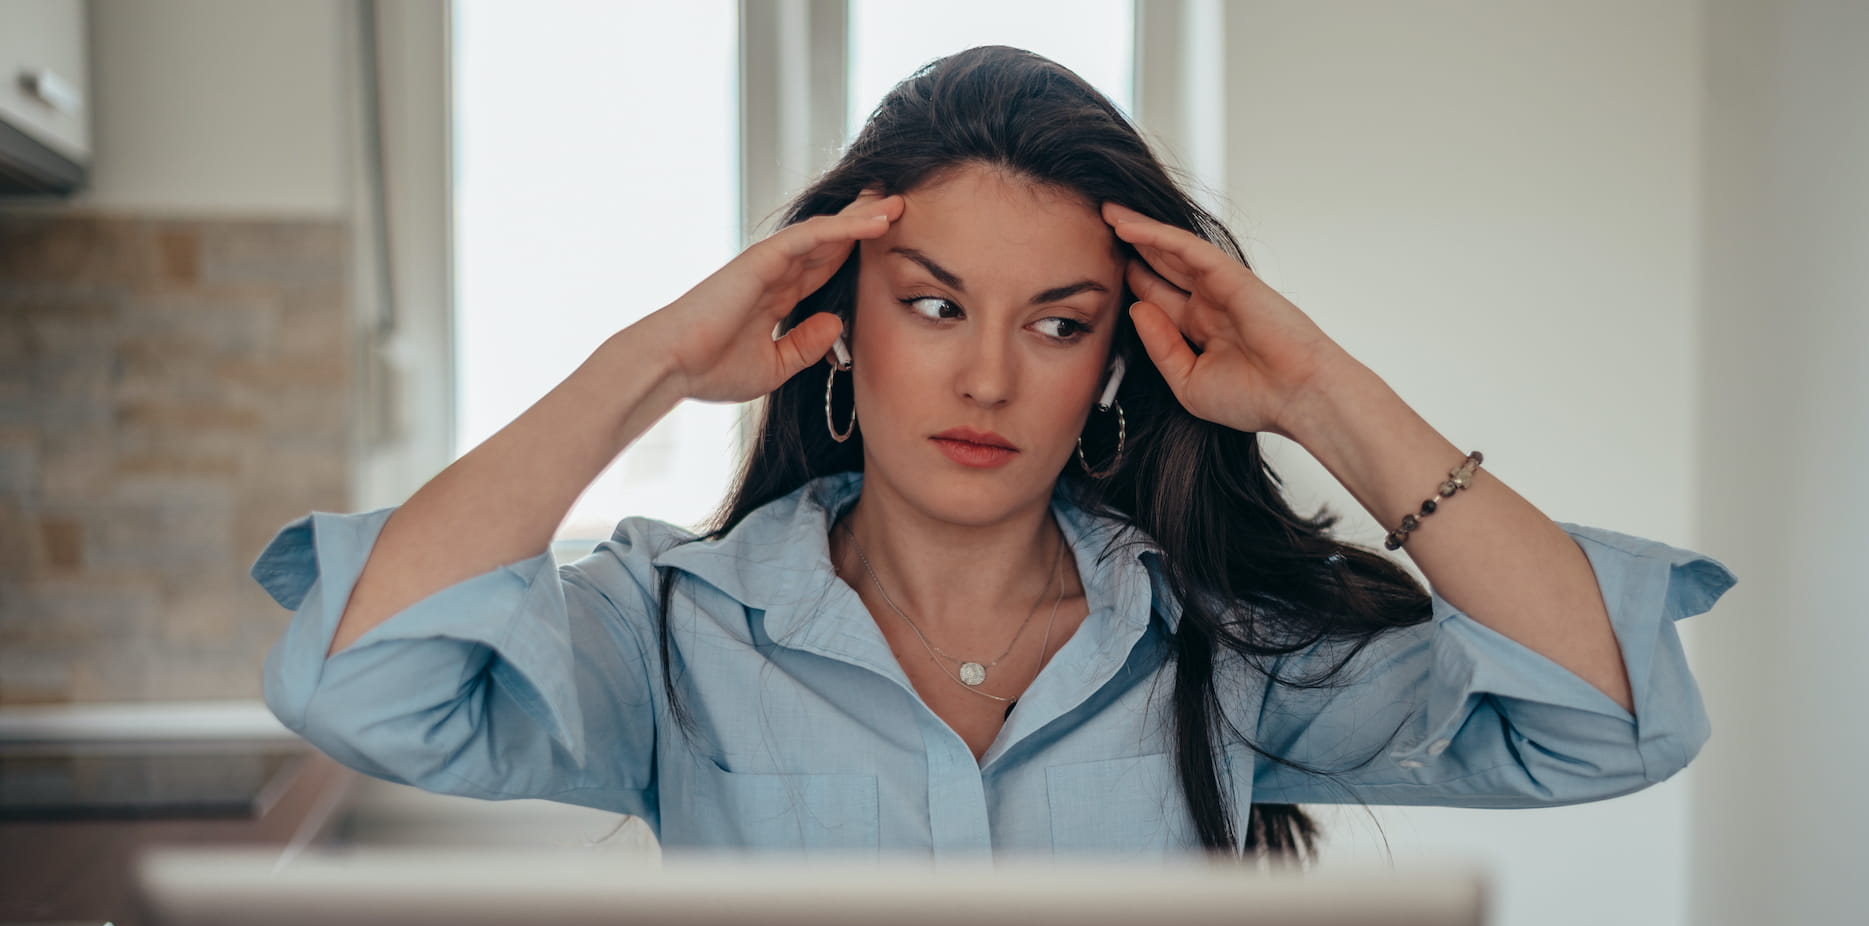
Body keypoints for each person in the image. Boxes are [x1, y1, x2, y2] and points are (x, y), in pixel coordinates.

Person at [251, 45, 1735, 864]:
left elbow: (1610, 718)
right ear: (845, 319)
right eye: (936, 302)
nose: (981, 373)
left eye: (1056, 321)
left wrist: (1319, 391)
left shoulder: (1216, 642)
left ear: (1109, 365)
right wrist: (645, 369)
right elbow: (362, 676)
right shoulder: (669, 628)